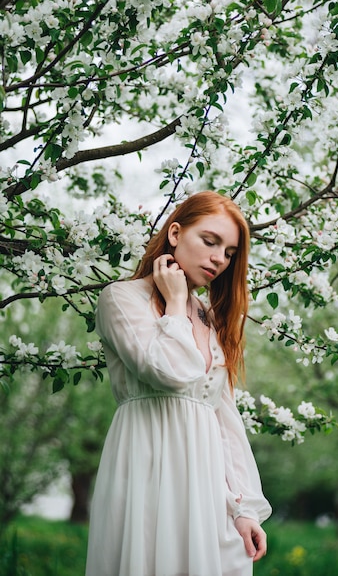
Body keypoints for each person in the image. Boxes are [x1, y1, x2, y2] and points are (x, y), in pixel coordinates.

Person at [85, 191, 272, 576]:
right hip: (146, 469)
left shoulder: (213, 320)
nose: (220, 258)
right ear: (175, 233)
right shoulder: (120, 299)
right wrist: (174, 303)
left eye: (231, 252)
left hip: (205, 487)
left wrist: (242, 508)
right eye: (210, 241)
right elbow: (169, 372)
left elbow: (225, 422)